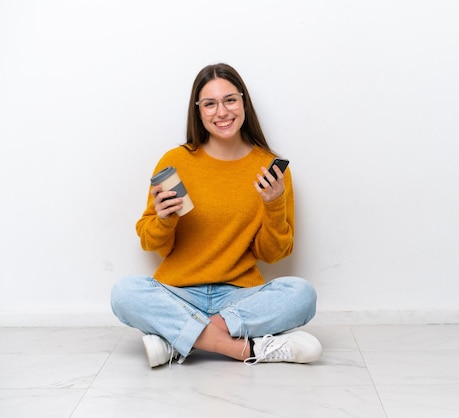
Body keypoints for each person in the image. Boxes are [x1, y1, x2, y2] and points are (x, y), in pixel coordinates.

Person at [110, 63, 321, 368]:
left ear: (243, 103)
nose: (221, 112)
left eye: (230, 100)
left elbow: (274, 254)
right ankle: (244, 349)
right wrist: (165, 220)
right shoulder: (175, 161)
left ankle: (177, 340)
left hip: (237, 299)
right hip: (179, 293)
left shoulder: (270, 169)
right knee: (125, 292)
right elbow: (151, 242)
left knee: (302, 294)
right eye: (210, 104)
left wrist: (273, 205)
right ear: (198, 111)